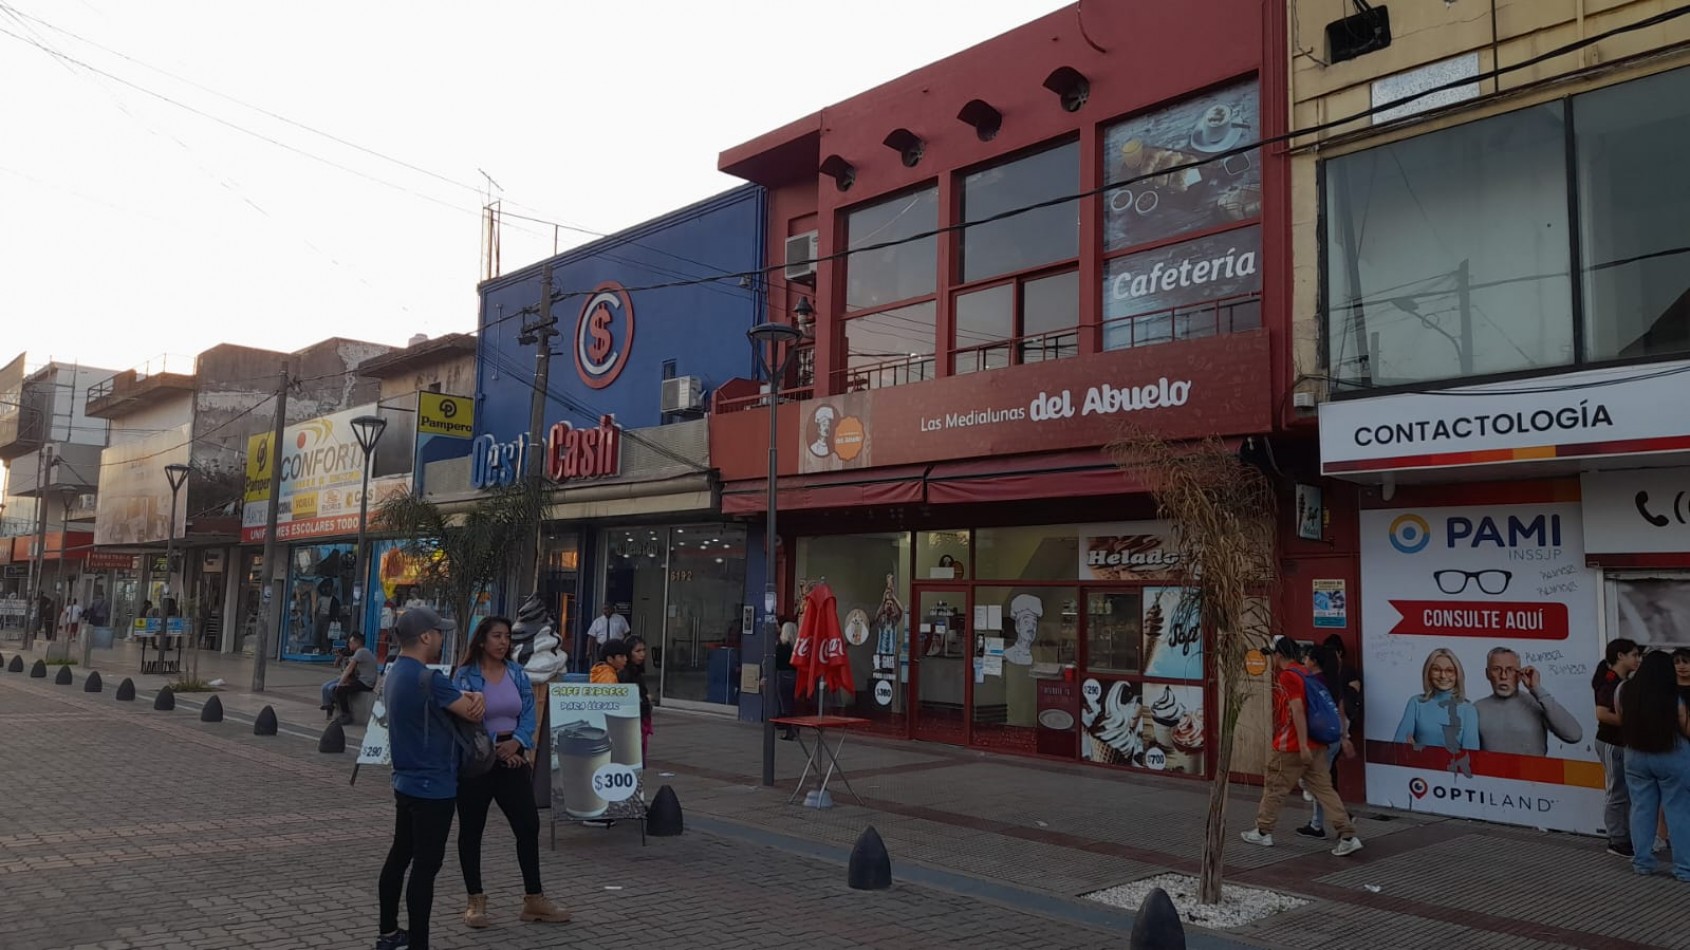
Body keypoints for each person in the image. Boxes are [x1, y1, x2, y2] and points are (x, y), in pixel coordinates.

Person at [452, 616, 571, 929]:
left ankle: (534, 899)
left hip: (513, 759)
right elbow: (461, 720)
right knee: (471, 830)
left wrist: (518, 744)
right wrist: (495, 748)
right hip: (477, 761)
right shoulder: (465, 677)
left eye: (506, 637)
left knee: (528, 825)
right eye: (496, 636)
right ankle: (475, 901)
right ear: (481, 640)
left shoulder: (517, 673)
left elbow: (528, 713)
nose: (503, 642)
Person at [375, 607, 484, 950]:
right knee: (425, 866)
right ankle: (419, 942)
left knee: (399, 856)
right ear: (425, 637)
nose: (441, 637)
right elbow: (471, 711)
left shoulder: (396, 672)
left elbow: (450, 702)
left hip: (405, 782)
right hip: (434, 785)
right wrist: (478, 696)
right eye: (438, 632)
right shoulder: (431, 678)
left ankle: (389, 933)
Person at [1243, 636, 1363, 856]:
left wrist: (1301, 744)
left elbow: (1297, 710)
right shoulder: (1306, 672)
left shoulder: (1288, 676)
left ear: (1278, 655)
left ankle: (1263, 831)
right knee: (1324, 790)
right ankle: (1347, 835)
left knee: (1275, 786)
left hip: (1292, 745)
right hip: (1317, 743)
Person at [1618, 650, 1690, 881]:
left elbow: (1621, 720)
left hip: (1635, 756)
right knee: (1678, 811)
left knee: (1641, 809)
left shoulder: (1625, 691)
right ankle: (1684, 869)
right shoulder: (1673, 695)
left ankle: (1642, 863)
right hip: (1671, 756)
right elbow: (1686, 728)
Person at [1474, 646, 1583, 755]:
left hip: (1534, 771)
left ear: (1519, 674)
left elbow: (1574, 735)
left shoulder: (1538, 703)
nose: (1503, 676)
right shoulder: (1477, 709)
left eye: (1510, 670)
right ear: (1487, 673)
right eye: (1496, 669)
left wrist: (1536, 689)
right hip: (1491, 772)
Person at [1297, 644, 1356, 839]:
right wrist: (1344, 737)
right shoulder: (1332, 682)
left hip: (1318, 741)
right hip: (1333, 740)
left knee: (1315, 783)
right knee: (1319, 782)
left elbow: (1302, 711)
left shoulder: (1311, 683)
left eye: (1306, 658)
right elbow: (1339, 712)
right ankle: (1316, 824)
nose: (1304, 661)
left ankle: (1342, 820)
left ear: (1313, 661)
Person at [1594, 638, 1642, 858]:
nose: (1637, 660)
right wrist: (1632, 722)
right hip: (1611, 743)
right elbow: (1602, 714)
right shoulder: (1609, 681)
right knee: (1617, 790)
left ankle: (1625, 835)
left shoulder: (1625, 681)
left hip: (1623, 743)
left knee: (1625, 790)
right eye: (1634, 655)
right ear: (1620, 656)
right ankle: (1616, 839)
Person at [1393, 648, 1479, 751]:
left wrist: (1418, 750)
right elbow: (1399, 747)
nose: (1443, 676)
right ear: (1428, 673)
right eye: (1436, 669)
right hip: (1417, 767)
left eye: (1449, 670)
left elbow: (1471, 756)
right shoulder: (1416, 703)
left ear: (1457, 675)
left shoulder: (1468, 709)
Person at [321, 632, 379, 725]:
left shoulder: (361, 652)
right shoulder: (363, 652)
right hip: (362, 680)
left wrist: (340, 683)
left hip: (366, 683)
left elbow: (349, 669)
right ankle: (332, 708)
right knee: (335, 688)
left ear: (357, 643)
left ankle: (346, 714)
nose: (349, 645)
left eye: (351, 643)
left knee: (340, 690)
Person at [622, 635, 654, 759]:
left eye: (644, 650)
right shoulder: (626, 674)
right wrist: (646, 699)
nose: (642, 654)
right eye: (637, 651)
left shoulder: (637, 672)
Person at [1004, 594, 1042, 665]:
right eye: (1026, 622)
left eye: (1034, 623)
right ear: (1017, 625)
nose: (1031, 627)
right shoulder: (1009, 654)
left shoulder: (1037, 654)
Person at [777, 621, 798, 741]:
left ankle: (789, 730)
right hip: (794, 675)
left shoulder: (782, 646)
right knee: (792, 703)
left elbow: (777, 662)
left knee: (785, 704)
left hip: (783, 675)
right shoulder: (796, 647)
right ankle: (794, 728)